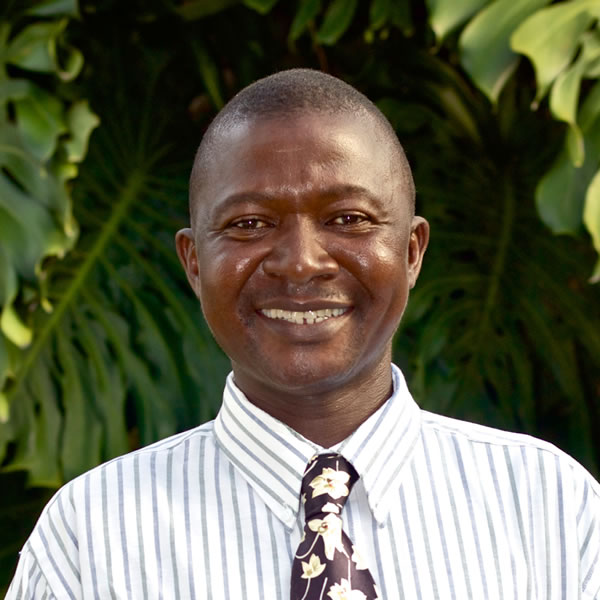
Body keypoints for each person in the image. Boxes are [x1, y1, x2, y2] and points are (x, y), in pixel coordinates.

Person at [6, 69, 600, 599]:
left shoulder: (549, 506)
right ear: (194, 262)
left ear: (411, 251)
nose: (300, 263)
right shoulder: (92, 537)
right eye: (249, 223)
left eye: (348, 219)